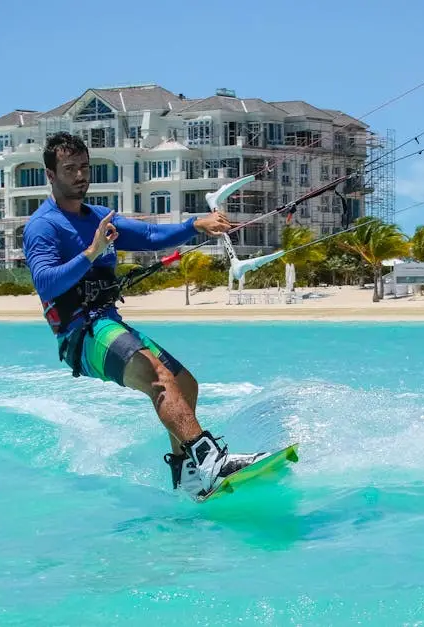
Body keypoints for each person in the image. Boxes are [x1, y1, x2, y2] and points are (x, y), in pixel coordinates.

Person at [22, 132, 266, 500]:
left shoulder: (101, 218)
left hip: (108, 323)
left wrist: (194, 226)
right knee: (157, 376)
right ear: (51, 175)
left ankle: (188, 475)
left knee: (185, 384)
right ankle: (210, 462)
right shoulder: (43, 226)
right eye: (69, 169)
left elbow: (151, 235)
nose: (79, 176)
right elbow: (46, 283)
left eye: (84, 168)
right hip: (80, 335)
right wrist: (92, 252)